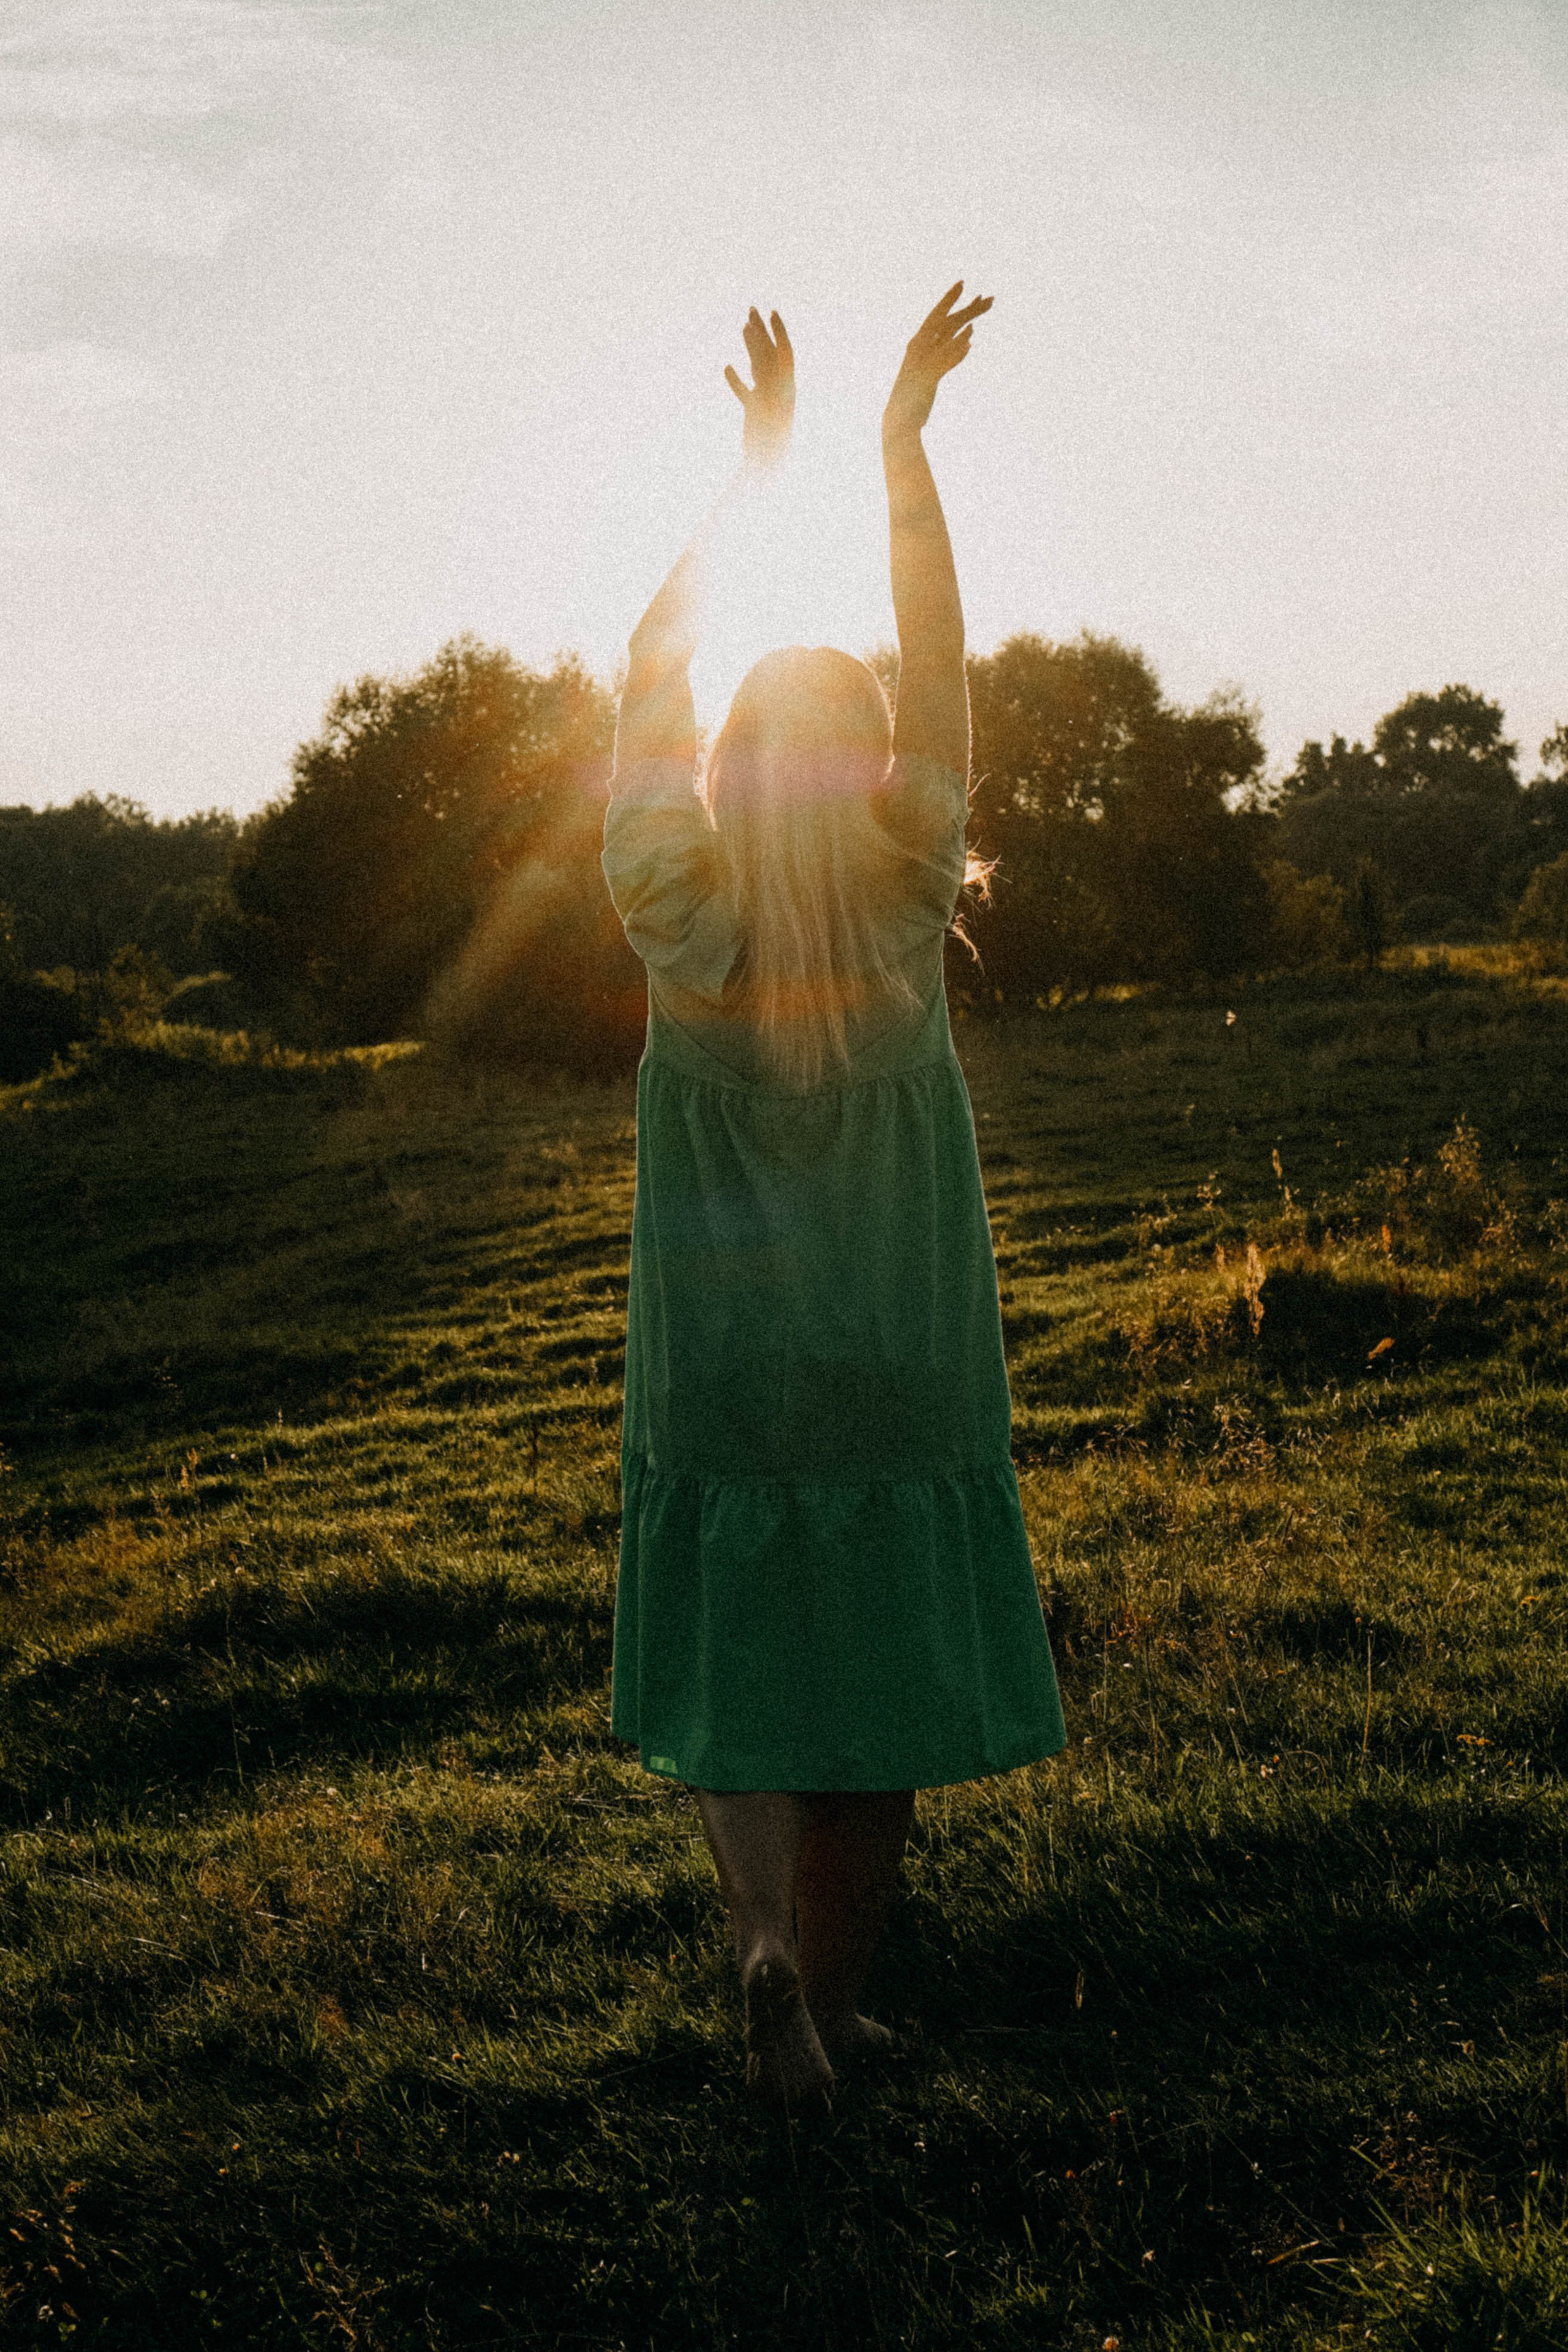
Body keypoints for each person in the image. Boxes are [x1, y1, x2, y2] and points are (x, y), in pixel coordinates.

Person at [601, 286, 1066, 2114]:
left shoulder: (671, 898)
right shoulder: (901, 893)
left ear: (723, 772)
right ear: (871, 763)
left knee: (743, 1687)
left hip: (727, 1369)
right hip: (896, 1359)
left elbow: (651, 666)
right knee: (871, 1691)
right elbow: (941, 655)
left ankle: (763, 1954)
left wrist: (751, 476)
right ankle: (848, 2000)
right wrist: (895, 452)